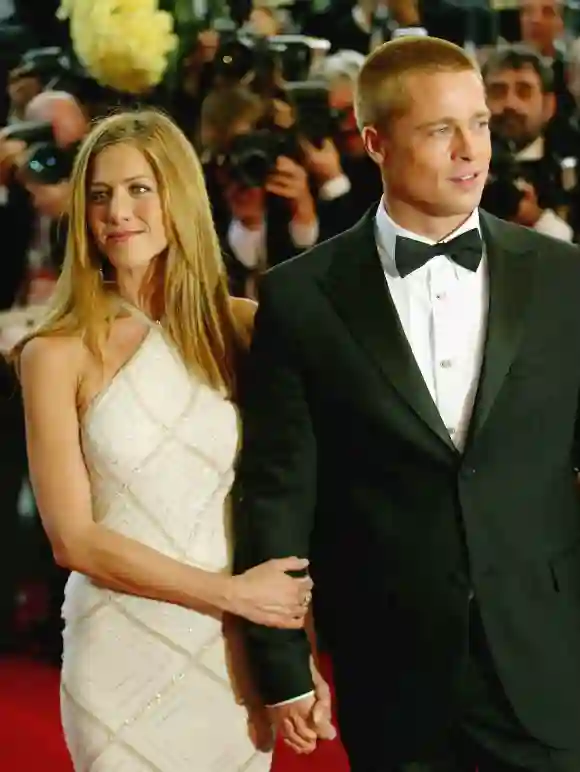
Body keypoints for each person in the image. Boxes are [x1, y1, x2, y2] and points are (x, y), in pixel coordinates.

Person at [234, 35, 580, 772]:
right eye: (439, 129)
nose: (471, 150)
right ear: (375, 143)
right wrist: (283, 663)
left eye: (480, 123)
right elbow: (278, 490)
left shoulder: (561, 276)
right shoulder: (301, 297)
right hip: (392, 667)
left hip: (550, 659)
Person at [12, 109, 314, 772]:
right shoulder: (54, 354)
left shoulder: (246, 330)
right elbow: (73, 539)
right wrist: (231, 594)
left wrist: (295, 663)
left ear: (178, 195)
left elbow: (279, 498)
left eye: (138, 189)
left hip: (229, 659)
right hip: (118, 654)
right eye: (100, 194)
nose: (117, 211)